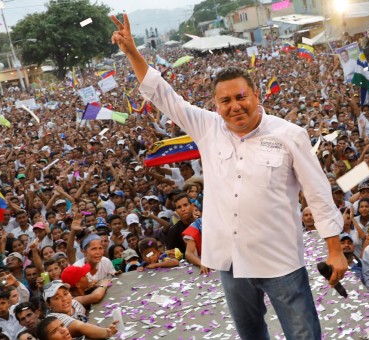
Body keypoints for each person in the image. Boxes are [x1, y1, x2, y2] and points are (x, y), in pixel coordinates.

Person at [111, 14, 347, 339]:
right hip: (231, 261)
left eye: (240, 97)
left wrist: (334, 250)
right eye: (225, 101)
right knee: (250, 333)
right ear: (216, 105)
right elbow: (163, 95)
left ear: (255, 96)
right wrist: (132, 53)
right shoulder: (207, 127)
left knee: (303, 333)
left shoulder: (289, 134)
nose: (234, 106)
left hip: (280, 259)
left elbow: (318, 194)